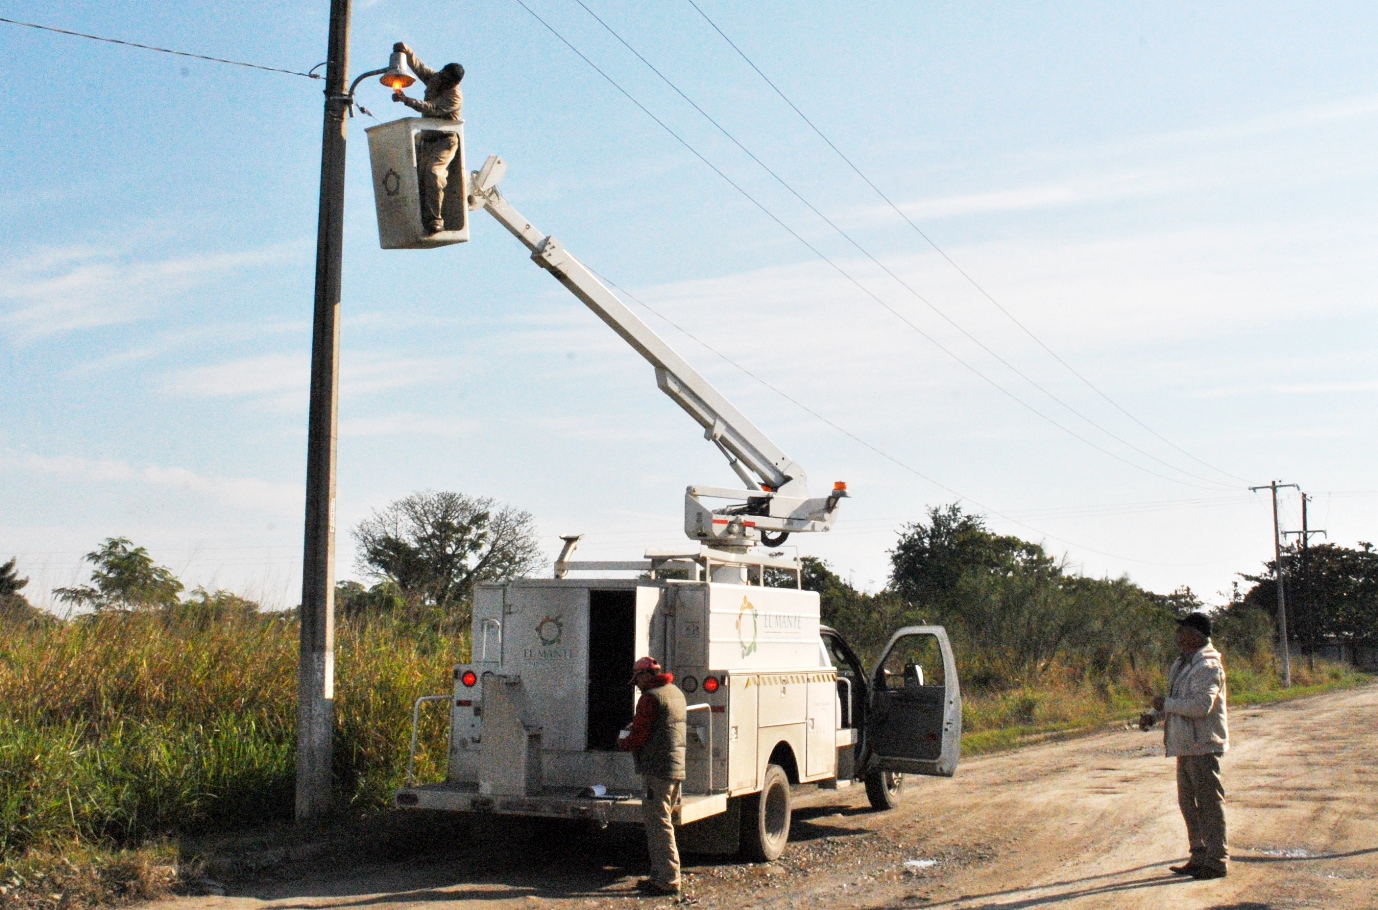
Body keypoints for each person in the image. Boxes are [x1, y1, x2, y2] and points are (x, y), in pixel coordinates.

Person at [1140, 611, 1230, 880]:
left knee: (1208, 804)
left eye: (1183, 631)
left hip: (1202, 745)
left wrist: (1164, 705)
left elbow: (1201, 707)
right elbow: (1177, 701)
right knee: (1188, 804)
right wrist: (1155, 716)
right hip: (1186, 745)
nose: (1177, 636)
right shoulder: (1183, 663)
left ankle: (1216, 861)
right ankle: (1199, 855)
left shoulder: (1208, 666)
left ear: (1195, 635)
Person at [618, 656, 687, 898]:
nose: (636, 684)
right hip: (674, 768)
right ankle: (660, 876)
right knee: (663, 820)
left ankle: (667, 879)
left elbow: (640, 735)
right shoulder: (675, 692)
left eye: (637, 678)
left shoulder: (650, 698)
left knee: (658, 825)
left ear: (646, 675)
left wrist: (623, 742)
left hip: (657, 770)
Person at [390, 42, 464, 234]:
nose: (441, 82)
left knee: (433, 173)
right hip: (427, 140)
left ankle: (435, 220)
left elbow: (432, 109)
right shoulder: (436, 78)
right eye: (442, 77)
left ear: (454, 83)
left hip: (445, 141)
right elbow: (420, 68)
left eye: (447, 81)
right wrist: (406, 51)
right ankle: (417, 219)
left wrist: (407, 100)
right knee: (416, 179)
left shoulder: (454, 96)